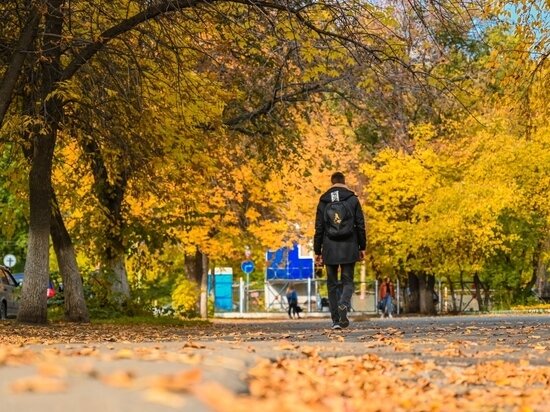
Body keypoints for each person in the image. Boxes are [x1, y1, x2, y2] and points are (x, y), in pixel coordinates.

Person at [314, 172, 366, 330]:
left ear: (332, 183)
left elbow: (319, 228)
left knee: (332, 284)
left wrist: (318, 251)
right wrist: (362, 247)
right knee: (347, 281)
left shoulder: (323, 200)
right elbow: (360, 224)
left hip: (329, 247)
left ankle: (336, 321)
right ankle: (344, 304)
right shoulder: (352, 199)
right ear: (344, 182)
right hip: (349, 246)